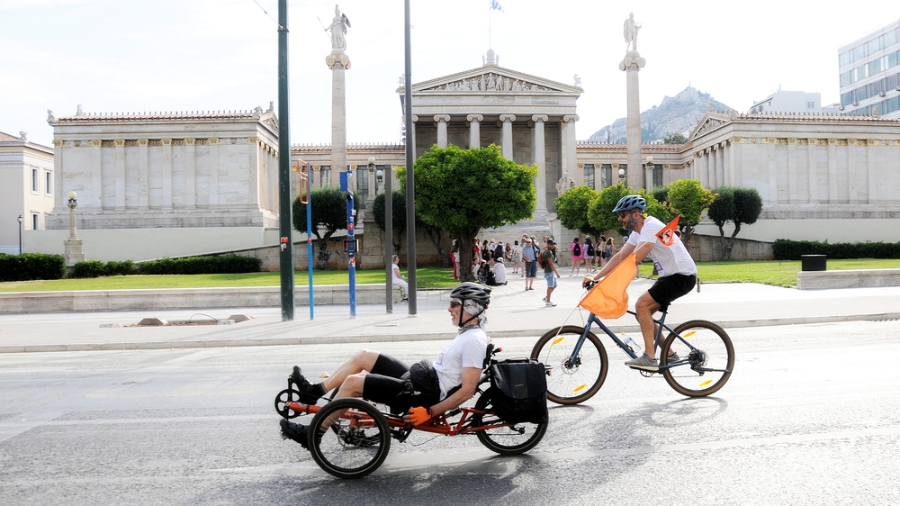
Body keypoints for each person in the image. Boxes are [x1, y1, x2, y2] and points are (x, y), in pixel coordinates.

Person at [280, 283, 492, 447]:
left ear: (471, 307)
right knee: (364, 356)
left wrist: (430, 412)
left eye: (454, 304)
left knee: (353, 383)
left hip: (425, 394)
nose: (449, 308)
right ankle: (313, 392)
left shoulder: (474, 340)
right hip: (422, 381)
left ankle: (313, 434)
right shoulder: (470, 335)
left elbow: (467, 390)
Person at [583, 195, 697, 372]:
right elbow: (621, 256)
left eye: (622, 215)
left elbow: (635, 258)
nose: (619, 219)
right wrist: (597, 277)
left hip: (682, 276)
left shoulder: (651, 226)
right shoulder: (637, 232)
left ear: (635, 213)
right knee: (642, 314)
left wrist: (609, 282)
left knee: (641, 305)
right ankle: (671, 353)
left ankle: (650, 358)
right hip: (670, 276)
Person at [541, 239, 561, 307]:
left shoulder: (548, 251)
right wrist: (557, 273)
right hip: (549, 271)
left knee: (554, 285)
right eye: (551, 244)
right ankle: (548, 301)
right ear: (548, 244)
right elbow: (551, 263)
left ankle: (546, 298)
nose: (553, 245)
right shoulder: (548, 252)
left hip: (550, 271)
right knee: (550, 286)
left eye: (553, 244)